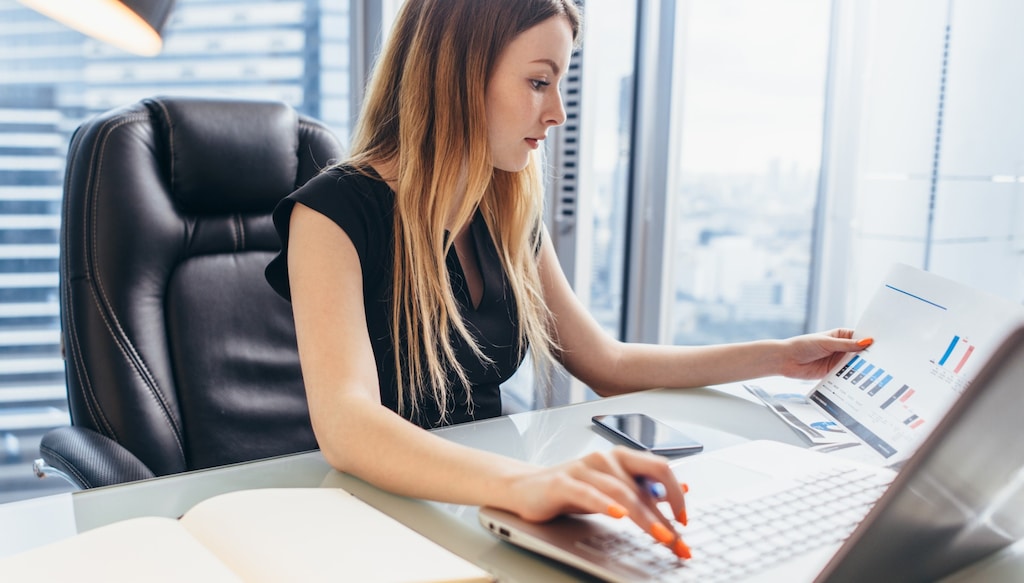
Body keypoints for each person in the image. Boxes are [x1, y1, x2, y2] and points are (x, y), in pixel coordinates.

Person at [265, 0, 870, 560]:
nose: (555, 112)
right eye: (537, 81)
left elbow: (607, 363)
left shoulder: (503, 209)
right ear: (458, 73)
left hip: (476, 512)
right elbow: (347, 425)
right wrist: (530, 484)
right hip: (377, 520)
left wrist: (781, 358)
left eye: (559, 84)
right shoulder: (331, 216)